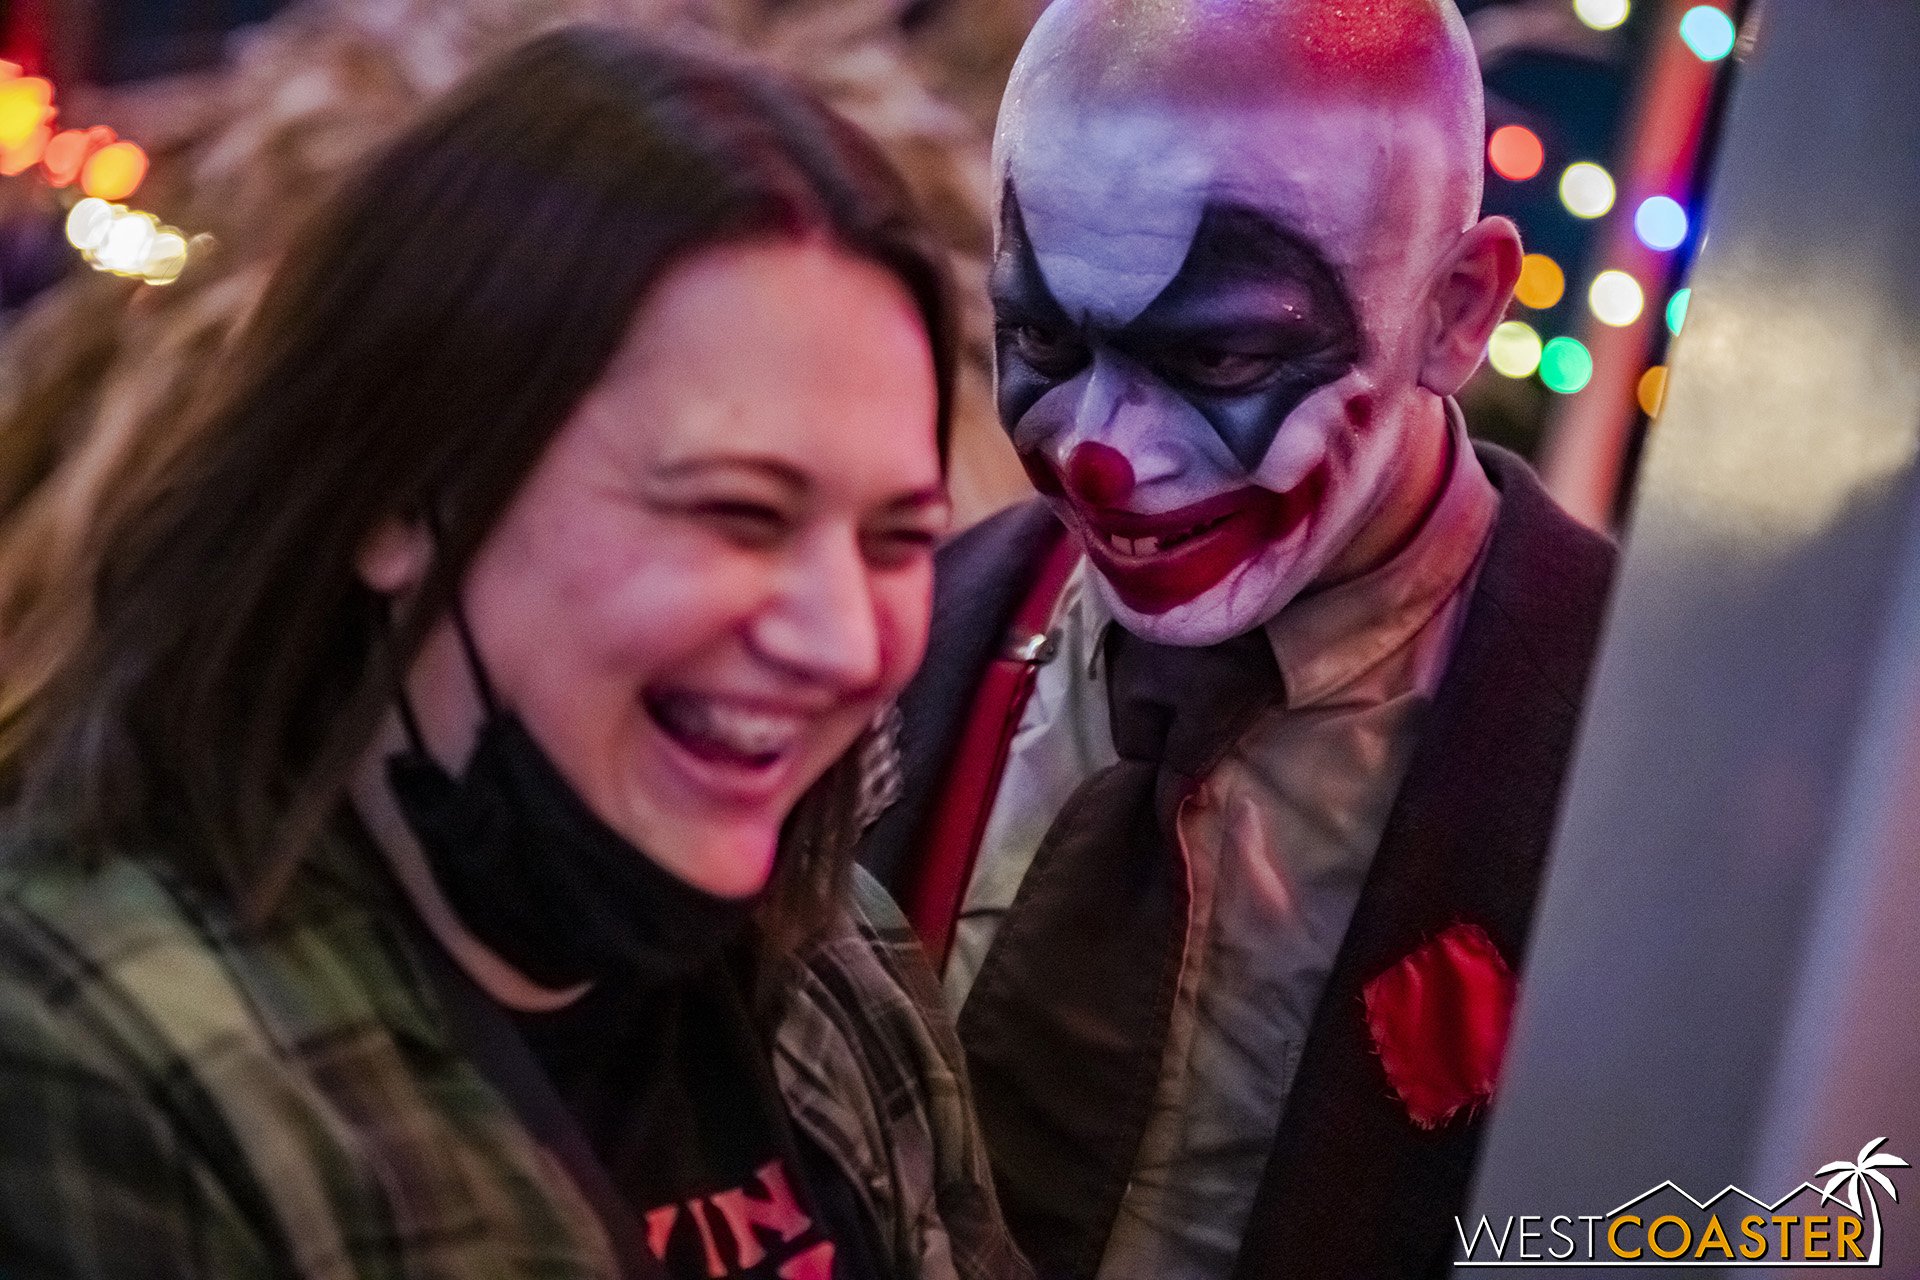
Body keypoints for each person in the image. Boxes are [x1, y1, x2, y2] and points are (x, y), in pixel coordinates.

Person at [0, 27, 1030, 1280]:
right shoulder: (98, 1049)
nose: (846, 640)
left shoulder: (838, 966)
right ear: (400, 494)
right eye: (737, 514)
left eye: (897, 538)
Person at [858, 1, 1619, 1276]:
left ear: (1455, 310)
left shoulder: (1643, 766)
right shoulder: (898, 641)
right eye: (1045, 336)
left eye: (1218, 354)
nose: (1100, 451)